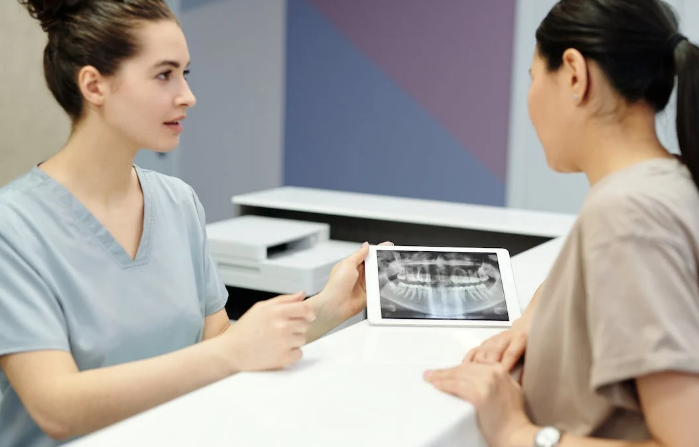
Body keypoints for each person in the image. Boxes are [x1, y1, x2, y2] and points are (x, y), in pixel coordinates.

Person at [0, 1, 387, 446]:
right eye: (164, 74)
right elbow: (57, 407)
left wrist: (328, 308)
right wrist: (229, 352)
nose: (187, 95)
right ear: (94, 85)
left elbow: (218, 339)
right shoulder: (14, 227)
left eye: (186, 73)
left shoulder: (177, 202)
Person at [424, 0, 699, 446]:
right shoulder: (671, 181)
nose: (531, 101)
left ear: (574, 73)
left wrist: (521, 434)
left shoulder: (627, 212)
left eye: (534, 79)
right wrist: (534, 321)